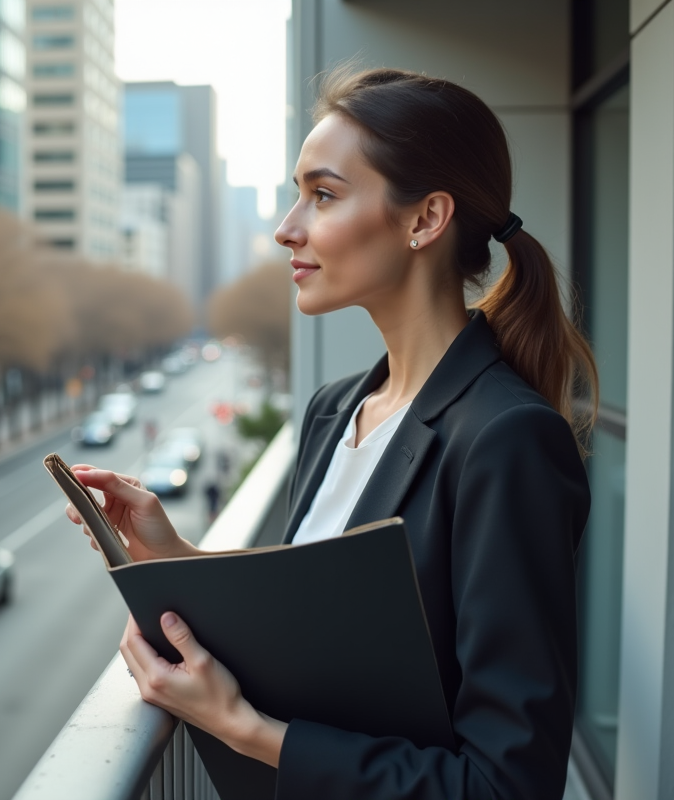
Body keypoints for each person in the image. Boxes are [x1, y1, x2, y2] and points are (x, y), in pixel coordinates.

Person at [64, 67, 595, 800]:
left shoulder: (508, 442)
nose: (287, 228)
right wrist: (173, 556)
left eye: (323, 195)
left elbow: (507, 785)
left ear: (424, 219)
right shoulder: (333, 410)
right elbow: (318, 641)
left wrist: (246, 731)